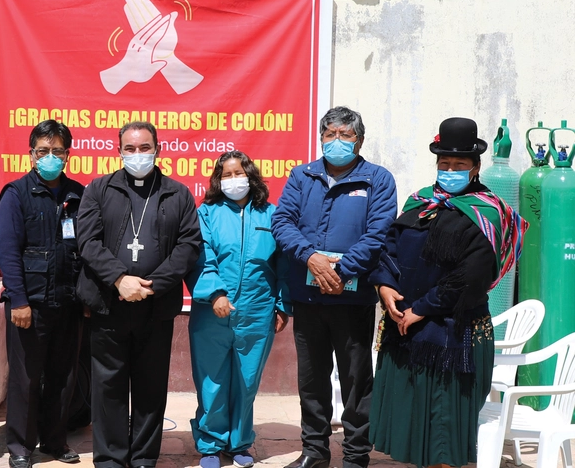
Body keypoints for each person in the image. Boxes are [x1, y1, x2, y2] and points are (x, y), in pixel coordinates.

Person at [368, 118, 527, 468]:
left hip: (455, 335)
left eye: (459, 165)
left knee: (443, 429)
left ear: (475, 168)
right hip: (407, 329)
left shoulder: (486, 213)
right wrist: (384, 286)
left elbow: (470, 277)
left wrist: (421, 309)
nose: (450, 170)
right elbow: (388, 250)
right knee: (415, 424)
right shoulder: (420, 202)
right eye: (444, 164)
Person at [271, 106, 397, 468]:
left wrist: (343, 272)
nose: (337, 141)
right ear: (321, 138)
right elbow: (283, 222)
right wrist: (310, 257)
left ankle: (356, 455)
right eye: (330, 134)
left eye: (346, 135)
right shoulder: (302, 176)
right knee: (311, 379)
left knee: (356, 379)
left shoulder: (377, 179)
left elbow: (379, 234)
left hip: (352, 298)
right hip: (308, 296)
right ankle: (315, 450)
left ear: (359, 140)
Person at [77, 121, 202, 468]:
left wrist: (152, 285)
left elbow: (188, 244)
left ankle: (145, 456)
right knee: (109, 388)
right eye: (129, 149)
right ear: (119, 152)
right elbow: (88, 242)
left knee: (150, 386)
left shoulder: (177, 194)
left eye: (144, 148)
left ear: (158, 149)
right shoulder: (99, 190)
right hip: (109, 304)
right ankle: (111, 459)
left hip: (156, 306)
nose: (137, 155)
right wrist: (120, 280)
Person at [185, 151, 291, 468]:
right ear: (218, 180)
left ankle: (240, 443)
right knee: (212, 381)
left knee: (247, 382)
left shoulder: (271, 216)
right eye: (226, 174)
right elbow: (202, 256)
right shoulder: (207, 214)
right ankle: (209, 445)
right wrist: (215, 292)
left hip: (257, 311)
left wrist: (282, 305)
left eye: (238, 173)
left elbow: (283, 264)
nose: (233, 180)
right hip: (211, 312)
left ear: (252, 176)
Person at [0, 120, 85, 468]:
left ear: (68, 154)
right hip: (29, 304)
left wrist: (86, 298)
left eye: (58, 151)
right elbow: (8, 251)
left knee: (64, 376)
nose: (51, 157)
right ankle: (20, 445)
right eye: (43, 151)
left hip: (68, 302)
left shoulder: (78, 194)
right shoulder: (16, 194)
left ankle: (55, 440)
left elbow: (87, 248)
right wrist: (18, 300)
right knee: (26, 379)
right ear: (31, 154)